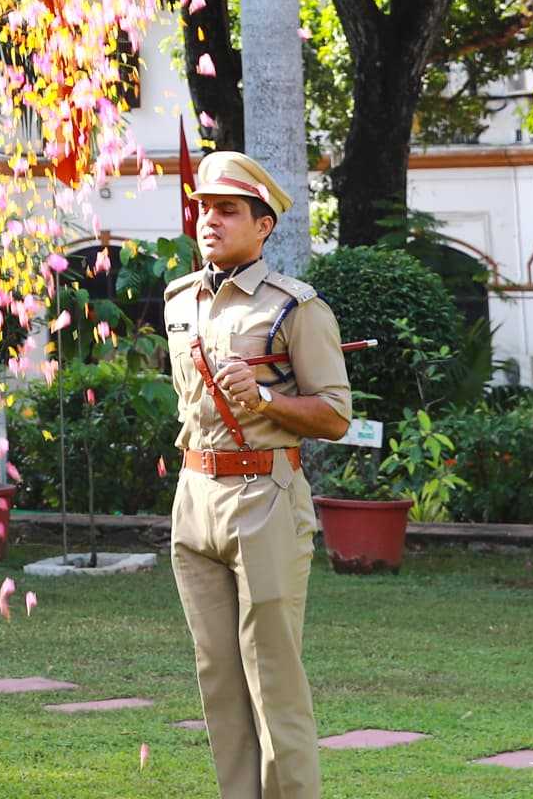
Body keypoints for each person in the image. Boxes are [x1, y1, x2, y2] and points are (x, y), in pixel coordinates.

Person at [162, 151, 352, 799]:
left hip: (264, 495)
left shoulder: (296, 309)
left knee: (273, 677)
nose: (208, 220)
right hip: (195, 498)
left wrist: (266, 400)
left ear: (263, 225)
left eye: (227, 210)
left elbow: (334, 415)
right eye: (203, 208)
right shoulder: (179, 301)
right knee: (217, 678)